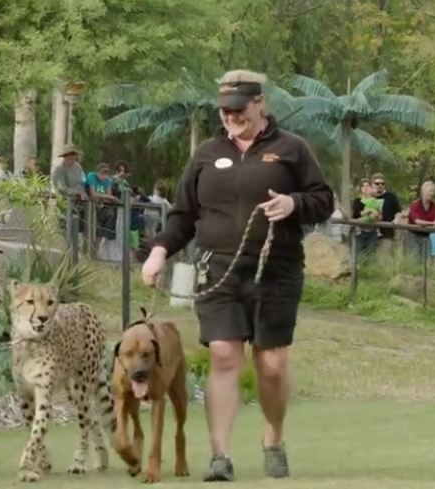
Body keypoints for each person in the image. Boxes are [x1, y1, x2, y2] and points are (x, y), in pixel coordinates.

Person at [140, 69, 334, 482]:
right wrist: (158, 252)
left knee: (272, 364)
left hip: (276, 271)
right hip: (218, 270)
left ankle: (274, 438)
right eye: (225, 111)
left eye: (239, 109)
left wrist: (294, 204)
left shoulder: (292, 149)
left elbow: (323, 201)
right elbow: (183, 216)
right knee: (225, 356)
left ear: (260, 103)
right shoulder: (207, 154)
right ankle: (220, 457)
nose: (231, 117)